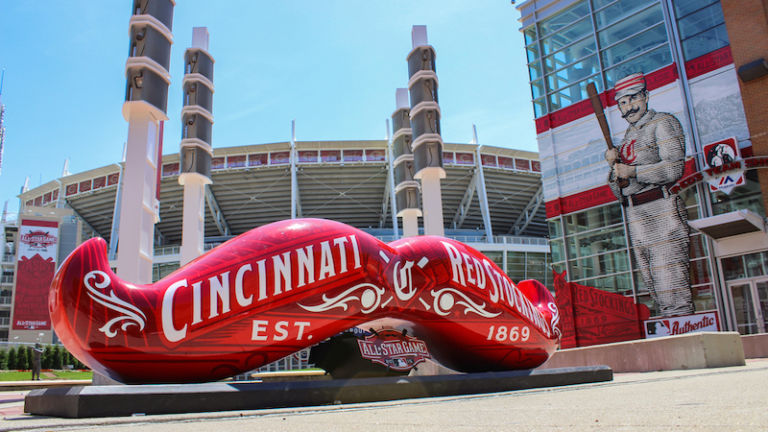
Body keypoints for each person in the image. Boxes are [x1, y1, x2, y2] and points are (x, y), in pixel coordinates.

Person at [605, 72, 694, 317]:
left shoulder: (663, 123)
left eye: (632, 99)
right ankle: (671, 335)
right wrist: (613, 168)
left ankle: (685, 336)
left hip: (661, 207)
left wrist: (632, 170)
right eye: (622, 103)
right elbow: (619, 190)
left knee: (671, 281)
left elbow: (673, 168)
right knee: (654, 284)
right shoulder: (627, 138)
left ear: (645, 96)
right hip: (636, 214)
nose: (628, 107)